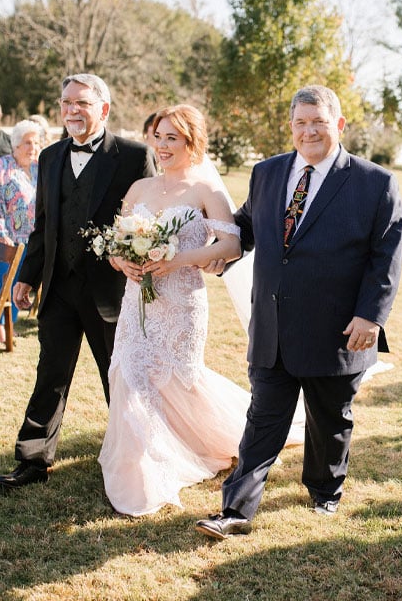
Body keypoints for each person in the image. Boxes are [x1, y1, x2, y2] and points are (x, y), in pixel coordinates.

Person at [196, 84, 402, 539]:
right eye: (300, 123)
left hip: (338, 328)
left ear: (339, 125)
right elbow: (248, 225)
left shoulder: (375, 183)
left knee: (329, 420)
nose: (309, 131)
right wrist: (223, 251)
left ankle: (325, 489)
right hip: (272, 324)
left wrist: (372, 315)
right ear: (290, 126)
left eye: (319, 122)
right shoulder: (267, 172)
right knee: (262, 421)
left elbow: (385, 256)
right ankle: (235, 511)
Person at [100, 104, 302, 517]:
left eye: (172, 137)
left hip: (181, 303)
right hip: (137, 299)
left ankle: (205, 443)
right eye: (158, 136)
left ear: (192, 142)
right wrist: (124, 261)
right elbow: (115, 246)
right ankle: (140, 462)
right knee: (130, 372)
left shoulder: (204, 190)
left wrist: (176, 258)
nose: (162, 145)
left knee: (178, 381)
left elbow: (229, 246)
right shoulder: (139, 189)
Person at [0, 73, 156, 491]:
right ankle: (33, 459)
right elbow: (43, 224)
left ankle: (133, 460)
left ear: (103, 108)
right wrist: (28, 277)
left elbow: (151, 221)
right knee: (50, 375)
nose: (71, 111)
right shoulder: (49, 157)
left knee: (117, 378)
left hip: (112, 292)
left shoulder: (135, 155)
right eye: (66, 102)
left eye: (81, 103)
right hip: (59, 288)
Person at [0, 120, 41, 342]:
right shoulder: (2, 166)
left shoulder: (39, 169)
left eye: (36, 142)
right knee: (4, 282)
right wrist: (6, 241)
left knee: (19, 285)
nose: (32, 147)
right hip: (0, 238)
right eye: (27, 142)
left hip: (29, 241)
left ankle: (9, 324)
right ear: (16, 144)